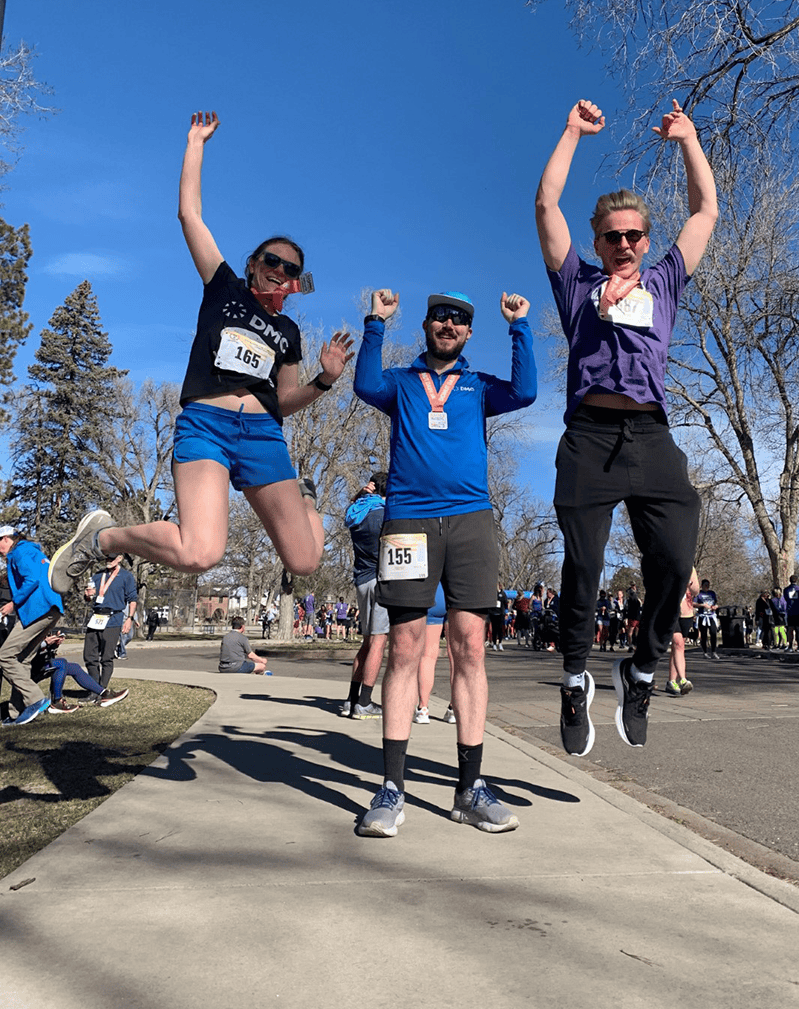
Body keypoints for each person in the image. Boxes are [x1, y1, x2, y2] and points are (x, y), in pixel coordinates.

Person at [47, 112, 353, 595]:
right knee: (200, 553)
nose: (278, 268)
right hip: (207, 425)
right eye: (270, 260)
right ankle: (103, 539)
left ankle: (305, 499)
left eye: (289, 266)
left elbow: (285, 399)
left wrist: (325, 380)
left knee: (305, 559)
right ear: (254, 264)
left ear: (295, 280)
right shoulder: (223, 287)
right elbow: (190, 214)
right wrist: (196, 144)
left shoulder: (288, 331)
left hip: (262, 435)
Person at [536, 96, 717, 755]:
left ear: (646, 240)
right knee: (582, 567)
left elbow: (705, 213)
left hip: (650, 437)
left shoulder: (665, 282)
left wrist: (689, 141)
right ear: (597, 239)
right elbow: (546, 207)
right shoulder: (575, 281)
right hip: (588, 438)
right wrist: (570, 131)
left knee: (674, 559)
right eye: (611, 235)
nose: (623, 244)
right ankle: (575, 679)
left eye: (634, 235)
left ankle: (639, 671)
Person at [354, 287, 536, 836]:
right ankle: (391, 790)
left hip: (471, 521)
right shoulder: (402, 383)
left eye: (459, 319)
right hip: (407, 522)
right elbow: (364, 382)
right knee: (406, 648)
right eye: (440, 317)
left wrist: (520, 328)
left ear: (468, 333)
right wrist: (376, 323)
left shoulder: (478, 387)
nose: (448, 324)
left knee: (470, 647)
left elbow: (526, 391)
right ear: (428, 325)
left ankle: (470, 789)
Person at [340, 472, 390, 720]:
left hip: (361, 579)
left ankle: (351, 700)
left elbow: (353, 504)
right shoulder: (384, 515)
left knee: (367, 643)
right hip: (380, 581)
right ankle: (365, 702)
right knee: (379, 643)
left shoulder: (357, 512)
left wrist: (360, 494)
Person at [0, 526, 62, 725]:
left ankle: (35, 699)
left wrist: (15, 601)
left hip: (37, 609)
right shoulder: (33, 551)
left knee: (5, 656)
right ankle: (17, 712)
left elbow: (32, 578)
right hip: (51, 608)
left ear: (7, 539)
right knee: (23, 659)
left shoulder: (18, 552)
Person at [31, 630, 129, 712]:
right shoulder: (27, 625)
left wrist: (54, 644)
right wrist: (44, 643)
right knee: (61, 663)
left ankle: (104, 694)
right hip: (27, 669)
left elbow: (42, 652)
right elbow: (22, 648)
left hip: (39, 664)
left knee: (74, 667)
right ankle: (57, 703)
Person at [82, 553, 137, 692]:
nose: (108, 561)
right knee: (89, 656)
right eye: (106, 558)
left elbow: (132, 600)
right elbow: (89, 597)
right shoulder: (98, 575)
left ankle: (102, 689)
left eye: (111, 559)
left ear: (120, 558)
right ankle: (94, 688)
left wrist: (129, 619)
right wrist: (87, 596)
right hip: (96, 617)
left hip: (113, 619)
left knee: (106, 657)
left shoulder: (126, 576)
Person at [413, 585, 456, 725]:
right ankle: (454, 708)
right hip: (456, 592)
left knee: (428, 656)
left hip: (434, 592)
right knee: (455, 657)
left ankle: (423, 708)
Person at [666, 569, 698, 695]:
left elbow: (696, 590)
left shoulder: (689, 566)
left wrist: (689, 584)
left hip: (686, 613)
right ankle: (683, 679)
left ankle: (671, 681)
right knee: (678, 643)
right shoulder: (666, 561)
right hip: (670, 609)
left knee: (677, 647)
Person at [695, 579, 720, 660]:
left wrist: (715, 607)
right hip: (703, 617)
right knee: (704, 635)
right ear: (702, 585)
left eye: (708, 585)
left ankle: (713, 652)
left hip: (711, 616)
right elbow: (693, 603)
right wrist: (702, 605)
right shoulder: (698, 593)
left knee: (713, 633)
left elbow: (715, 603)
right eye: (705, 585)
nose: (707, 586)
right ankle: (705, 652)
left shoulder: (712, 593)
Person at [784, 575, 799, 653]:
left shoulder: (786, 589)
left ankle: (790, 646)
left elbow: (786, 599)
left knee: (790, 629)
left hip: (791, 611)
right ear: (796, 580)